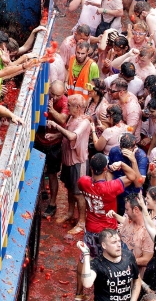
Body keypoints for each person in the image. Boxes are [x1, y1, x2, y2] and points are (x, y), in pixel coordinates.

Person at [75, 153, 139, 299]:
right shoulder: (111, 187)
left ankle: (79, 294)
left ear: (91, 168)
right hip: (108, 232)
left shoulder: (83, 182)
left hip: (91, 229)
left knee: (84, 259)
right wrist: (122, 165)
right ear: (105, 168)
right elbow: (133, 177)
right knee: (115, 261)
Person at [46, 94, 91, 235]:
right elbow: (68, 133)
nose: (67, 108)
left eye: (69, 105)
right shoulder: (72, 118)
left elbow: (72, 136)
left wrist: (56, 127)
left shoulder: (84, 122)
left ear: (78, 107)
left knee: (79, 193)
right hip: (68, 160)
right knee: (70, 189)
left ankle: (82, 221)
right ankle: (70, 212)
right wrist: (56, 136)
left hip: (78, 161)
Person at [78, 229, 142, 300]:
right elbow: (87, 283)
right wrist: (86, 254)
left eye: (119, 241)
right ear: (104, 245)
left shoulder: (128, 256)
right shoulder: (97, 264)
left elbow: (137, 280)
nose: (118, 245)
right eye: (114, 242)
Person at [36, 80, 69, 218]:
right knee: (38, 169)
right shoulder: (43, 95)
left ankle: (53, 203)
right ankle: (43, 190)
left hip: (54, 143)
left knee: (52, 173)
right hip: (39, 139)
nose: (54, 97)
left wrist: (52, 110)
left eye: (57, 95)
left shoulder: (64, 102)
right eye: (53, 94)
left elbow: (62, 119)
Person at [109, 133, 148, 214]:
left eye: (128, 150)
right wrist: (110, 188)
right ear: (120, 146)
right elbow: (109, 172)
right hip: (117, 192)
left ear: (134, 147)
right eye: (123, 150)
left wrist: (133, 161)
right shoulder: (114, 151)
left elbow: (139, 184)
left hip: (133, 195)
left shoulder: (141, 156)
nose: (125, 153)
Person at [108, 78, 143, 142]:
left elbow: (130, 132)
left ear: (121, 92)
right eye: (109, 90)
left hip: (129, 142)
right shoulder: (126, 95)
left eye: (112, 91)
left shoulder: (132, 109)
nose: (109, 93)